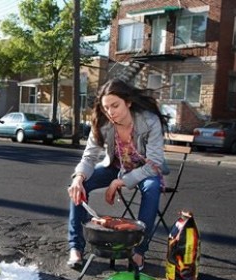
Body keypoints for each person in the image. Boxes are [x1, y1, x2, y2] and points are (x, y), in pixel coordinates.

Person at [66, 79, 170, 270]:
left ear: (128, 102)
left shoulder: (149, 121)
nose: (111, 112)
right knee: (78, 186)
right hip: (115, 167)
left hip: (145, 170)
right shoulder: (103, 123)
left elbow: (154, 164)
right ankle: (76, 248)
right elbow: (89, 157)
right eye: (106, 108)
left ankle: (139, 252)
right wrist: (79, 177)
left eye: (115, 105)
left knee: (152, 187)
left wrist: (119, 182)